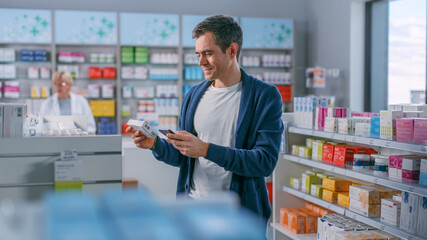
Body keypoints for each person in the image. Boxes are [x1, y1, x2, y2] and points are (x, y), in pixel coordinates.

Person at [127, 15, 284, 229]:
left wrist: (206, 149)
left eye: (208, 53)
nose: (201, 62)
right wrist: (155, 144)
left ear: (232, 50)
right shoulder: (194, 95)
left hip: (240, 214)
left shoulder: (264, 96)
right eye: (198, 54)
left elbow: (264, 162)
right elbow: (183, 157)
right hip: (193, 209)